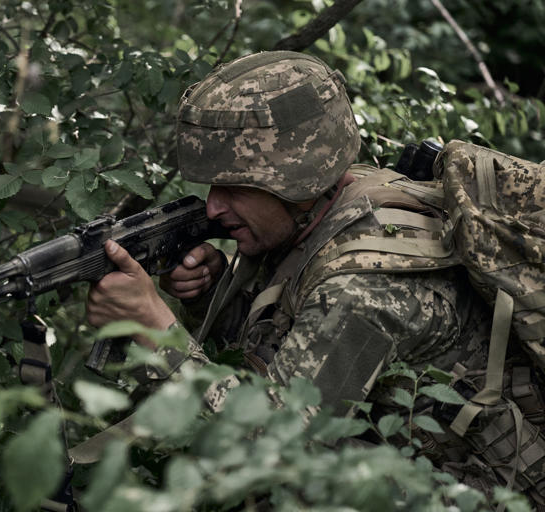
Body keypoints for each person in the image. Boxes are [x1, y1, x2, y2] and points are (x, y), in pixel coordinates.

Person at [83, 51, 545, 504]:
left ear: (296, 180)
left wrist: (155, 332)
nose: (213, 207)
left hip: (487, 491)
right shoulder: (340, 200)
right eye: (211, 186)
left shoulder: (367, 285)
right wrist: (210, 299)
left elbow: (270, 455)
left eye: (235, 186)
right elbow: (285, 349)